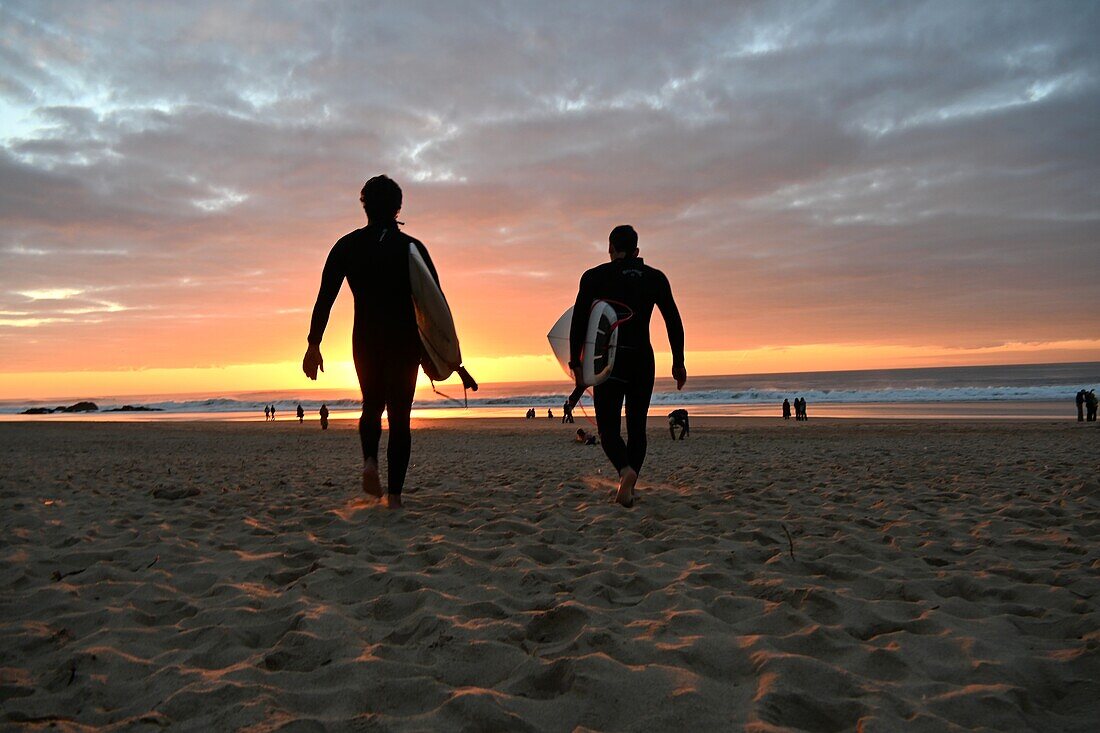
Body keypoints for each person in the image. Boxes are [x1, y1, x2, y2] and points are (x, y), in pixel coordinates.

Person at [303, 175, 445, 509]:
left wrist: (314, 343)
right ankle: (394, 496)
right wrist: (438, 355)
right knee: (400, 418)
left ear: (364, 205)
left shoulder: (346, 246)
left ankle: (369, 460)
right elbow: (434, 306)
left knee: (371, 404)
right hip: (404, 341)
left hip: (365, 338)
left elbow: (325, 298)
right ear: (398, 207)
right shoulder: (411, 247)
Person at [569, 225, 685, 507]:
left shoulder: (595, 276)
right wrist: (678, 362)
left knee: (608, 429)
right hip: (642, 360)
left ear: (610, 249)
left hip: (609, 361)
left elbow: (579, 323)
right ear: (637, 250)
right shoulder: (655, 278)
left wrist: (577, 364)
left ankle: (625, 472)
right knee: (637, 428)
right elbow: (673, 319)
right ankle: (629, 484)